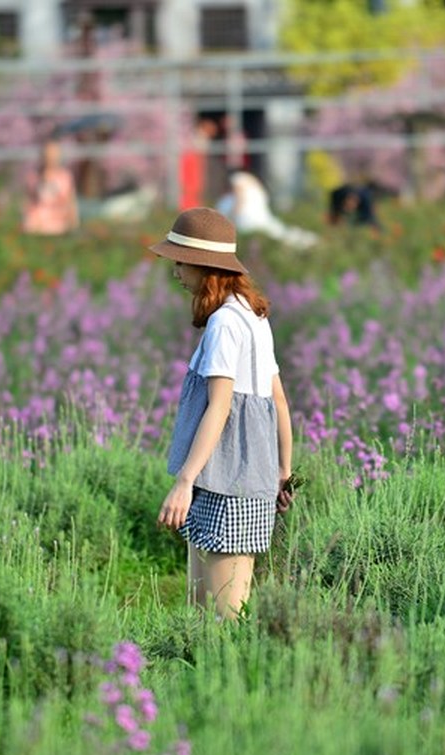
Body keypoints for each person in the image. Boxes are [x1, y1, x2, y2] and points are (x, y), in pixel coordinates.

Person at [150, 207, 295, 620]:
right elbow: (278, 401)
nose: (176, 272)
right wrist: (283, 471)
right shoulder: (252, 316)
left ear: (202, 265)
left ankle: (239, 683)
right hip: (239, 478)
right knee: (204, 612)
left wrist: (184, 481)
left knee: (223, 618)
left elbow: (221, 405)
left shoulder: (224, 325)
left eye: (180, 261)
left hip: (226, 483)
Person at [217, 170, 319, 250]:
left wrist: (232, 216)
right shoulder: (252, 185)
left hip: (251, 222)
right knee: (280, 234)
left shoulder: (239, 181)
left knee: (280, 235)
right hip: (257, 221)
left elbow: (240, 199)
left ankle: (307, 241)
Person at [22, 139, 79, 235]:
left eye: (54, 154)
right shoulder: (33, 177)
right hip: (38, 224)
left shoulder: (65, 177)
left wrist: (74, 224)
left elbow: (71, 202)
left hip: (60, 222)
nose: (51, 158)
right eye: (48, 155)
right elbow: (28, 202)